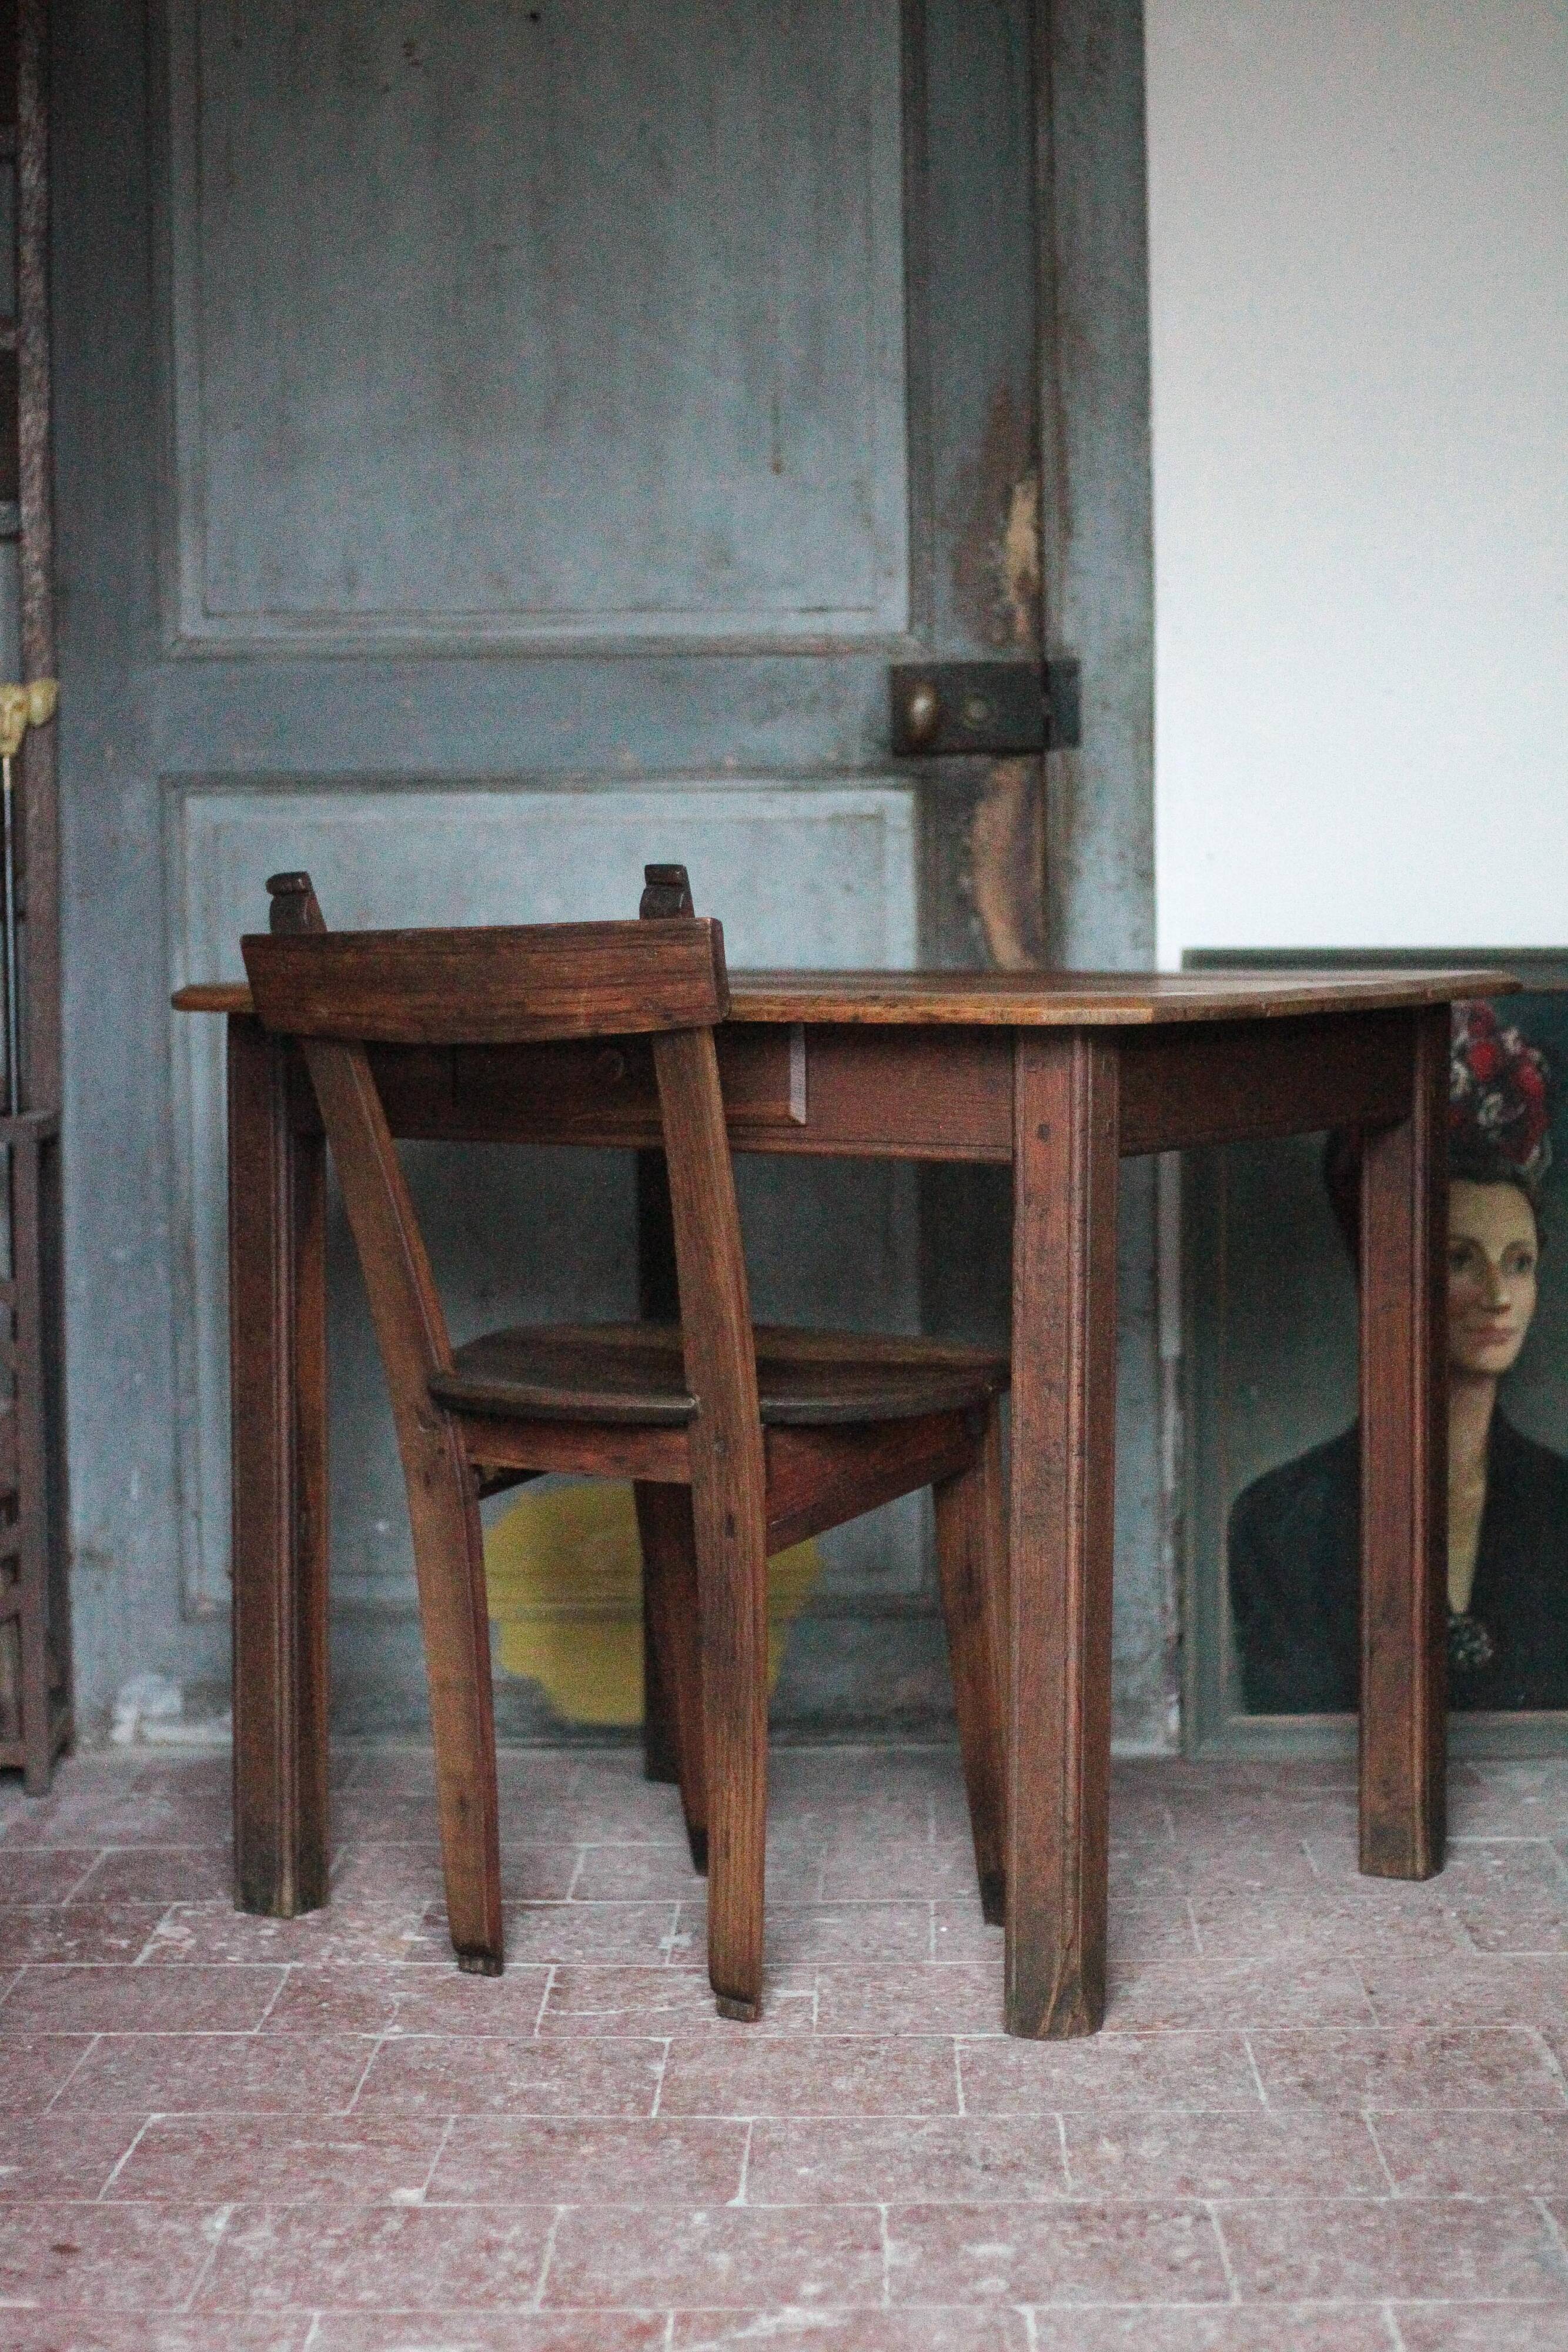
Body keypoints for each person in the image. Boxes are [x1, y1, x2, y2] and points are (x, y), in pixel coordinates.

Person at [1229, 1001, 1568, 1713]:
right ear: (1395, 1272)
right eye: (1459, 1259)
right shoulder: (1280, 1519)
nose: (1499, 1297)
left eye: (1520, 1262)